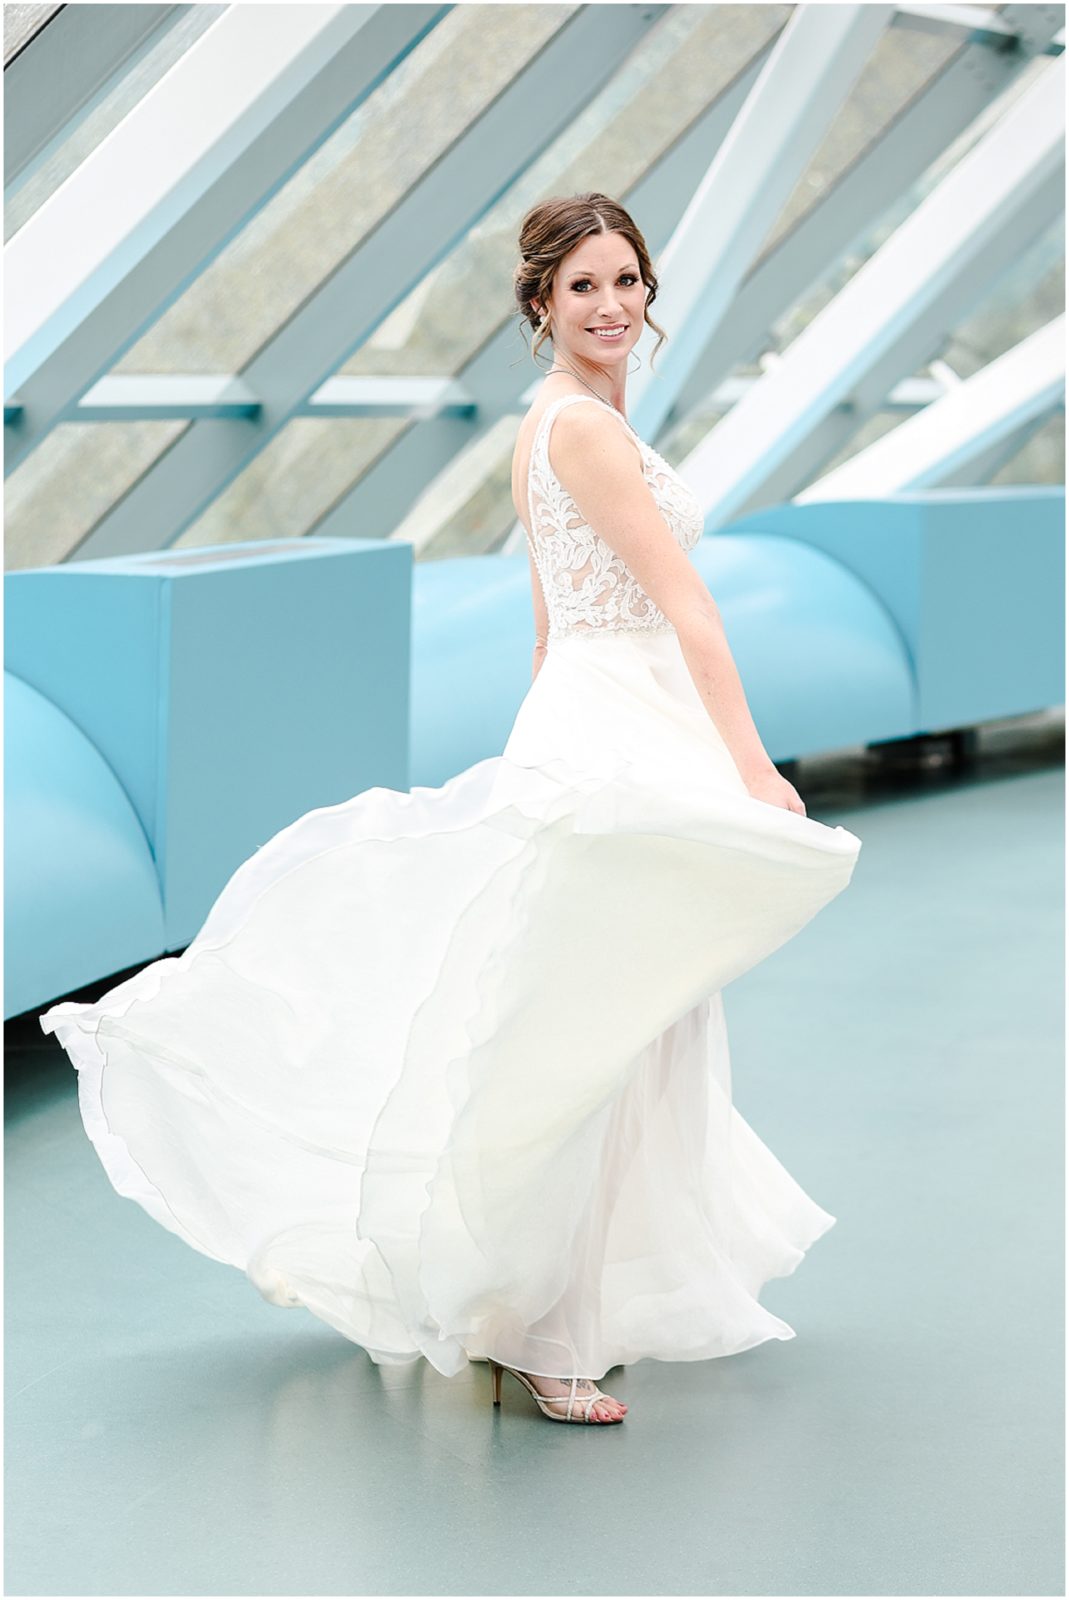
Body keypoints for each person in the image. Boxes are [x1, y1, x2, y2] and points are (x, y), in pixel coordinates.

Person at [40, 192, 861, 1429]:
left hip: (607, 717)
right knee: (593, 1027)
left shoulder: (575, 420)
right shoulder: (580, 429)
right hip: (626, 722)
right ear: (540, 306)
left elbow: (549, 615)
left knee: (629, 1016)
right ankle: (548, 1333)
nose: (612, 305)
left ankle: (566, 1303)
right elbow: (686, 605)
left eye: (627, 280)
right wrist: (754, 765)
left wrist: (562, 738)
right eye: (583, 286)